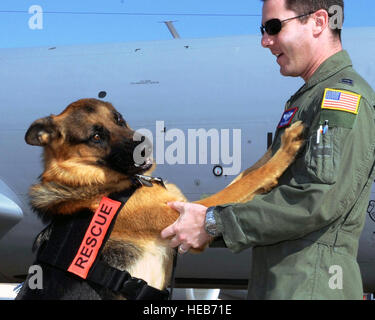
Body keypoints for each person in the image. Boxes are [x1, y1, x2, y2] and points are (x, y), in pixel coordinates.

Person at [161, 0, 375, 299]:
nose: (265, 41)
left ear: (318, 22)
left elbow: (316, 200)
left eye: (274, 27)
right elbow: (270, 195)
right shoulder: (307, 100)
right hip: (284, 282)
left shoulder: (339, 98)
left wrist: (213, 222)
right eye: (263, 29)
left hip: (310, 287)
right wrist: (202, 221)